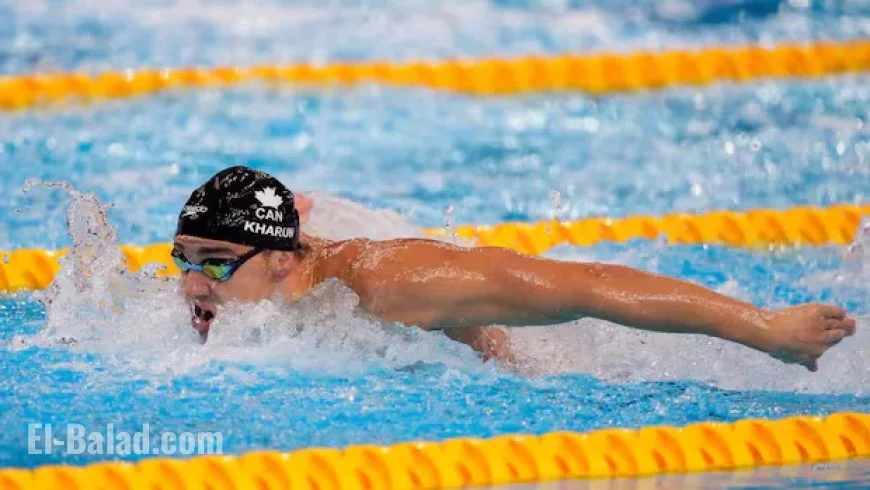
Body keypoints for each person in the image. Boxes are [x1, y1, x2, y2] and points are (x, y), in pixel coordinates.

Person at [173, 166, 856, 371]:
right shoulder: (245, 289)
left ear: (284, 258)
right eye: (184, 260)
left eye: (217, 265)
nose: (193, 284)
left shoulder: (392, 283)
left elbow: (587, 287)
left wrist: (767, 328)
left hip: (533, 368)